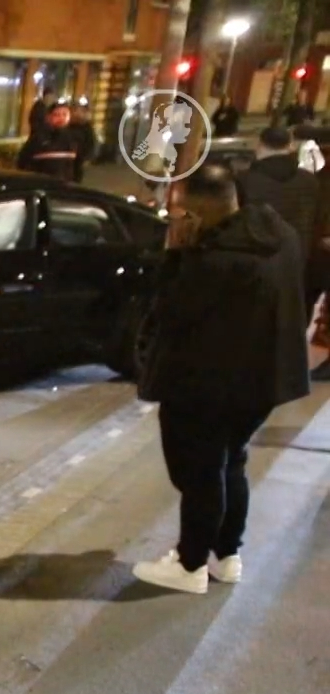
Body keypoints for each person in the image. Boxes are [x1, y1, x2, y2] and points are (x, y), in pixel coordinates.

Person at [132, 164, 310, 594]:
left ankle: (191, 564)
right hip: (263, 381)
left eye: (180, 215)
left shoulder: (211, 262)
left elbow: (170, 311)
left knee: (200, 473)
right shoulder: (279, 236)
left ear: (197, 214)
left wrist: (176, 252)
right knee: (232, 461)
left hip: (207, 383)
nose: (175, 221)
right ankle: (226, 554)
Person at [236, 126, 319, 299]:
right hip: (296, 265)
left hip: (254, 266)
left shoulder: (244, 181)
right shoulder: (309, 181)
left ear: (259, 145)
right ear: (290, 146)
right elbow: (316, 223)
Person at [17, 101, 81, 180]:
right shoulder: (39, 138)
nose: (61, 118)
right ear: (48, 117)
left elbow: (77, 165)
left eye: (65, 114)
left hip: (65, 187)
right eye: (56, 115)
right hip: (43, 185)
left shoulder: (74, 138)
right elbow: (22, 161)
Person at [67, 100, 99, 181]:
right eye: (74, 110)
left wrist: (88, 157)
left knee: (76, 177)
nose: (76, 113)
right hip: (68, 157)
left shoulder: (86, 126)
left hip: (79, 157)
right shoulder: (67, 125)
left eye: (78, 110)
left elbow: (90, 142)